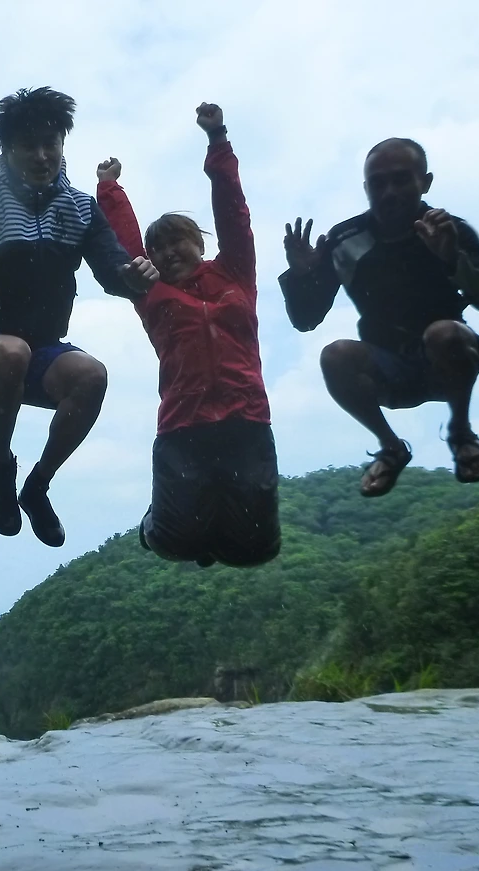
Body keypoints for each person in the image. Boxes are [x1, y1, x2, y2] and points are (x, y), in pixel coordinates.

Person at [0, 87, 158, 547]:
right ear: (8, 150)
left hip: (43, 350)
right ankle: (1, 467)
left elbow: (112, 265)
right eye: (28, 146)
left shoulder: (79, 207)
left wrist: (132, 276)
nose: (42, 156)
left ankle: (37, 486)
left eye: (50, 144)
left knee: (91, 375)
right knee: (12, 352)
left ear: (63, 144)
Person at [96, 103, 279, 567]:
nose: (167, 251)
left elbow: (233, 211)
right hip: (184, 427)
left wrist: (218, 140)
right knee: (174, 542)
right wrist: (109, 188)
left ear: (200, 243)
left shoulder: (235, 273)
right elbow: (125, 245)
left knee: (257, 551)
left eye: (177, 240)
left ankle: (214, 532)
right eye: (157, 247)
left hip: (245, 421)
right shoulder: (151, 293)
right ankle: (156, 522)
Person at [280, 137, 479, 496]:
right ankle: (390, 447)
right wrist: (302, 275)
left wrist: (453, 260)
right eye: (378, 183)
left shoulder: (450, 230)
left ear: (425, 182)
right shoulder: (345, 239)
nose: (389, 192)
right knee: (335, 355)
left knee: (444, 333)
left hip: (448, 361)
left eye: (401, 179)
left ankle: (461, 432)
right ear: (366, 189)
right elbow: (305, 319)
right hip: (387, 370)